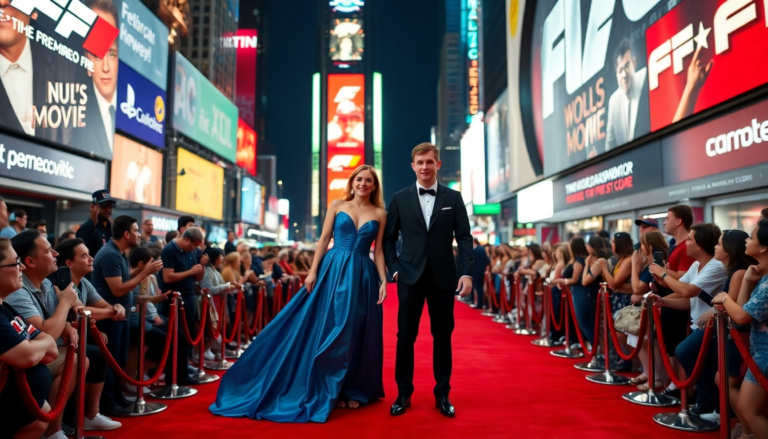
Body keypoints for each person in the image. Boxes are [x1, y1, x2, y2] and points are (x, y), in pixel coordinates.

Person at [211, 164, 387, 422]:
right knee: (331, 328)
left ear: (374, 186)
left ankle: (352, 388)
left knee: (355, 330)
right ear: (352, 181)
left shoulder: (380, 213)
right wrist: (313, 271)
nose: (363, 184)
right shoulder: (337, 205)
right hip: (333, 269)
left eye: (368, 180)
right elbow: (324, 239)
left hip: (362, 275)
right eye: (359, 179)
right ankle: (330, 388)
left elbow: (378, 251)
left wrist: (383, 280)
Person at [383, 143, 473, 418]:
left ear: (438, 164)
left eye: (429, 162)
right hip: (409, 277)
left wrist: (467, 272)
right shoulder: (399, 198)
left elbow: (465, 238)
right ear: (413, 166)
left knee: (442, 336)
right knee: (405, 337)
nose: (425, 167)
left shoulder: (454, 198)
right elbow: (388, 238)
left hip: (444, 277)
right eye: (420, 162)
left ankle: (442, 394)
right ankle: (403, 394)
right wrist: (394, 269)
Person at [5, 231, 81, 438]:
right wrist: (65, 303)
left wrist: (65, 322)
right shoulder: (16, 292)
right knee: (75, 360)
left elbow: (50, 333)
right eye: (49, 250)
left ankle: (62, 426)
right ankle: (54, 431)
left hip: (41, 356)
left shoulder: (46, 283)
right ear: (30, 261)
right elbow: (46, 335)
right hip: (24, 370)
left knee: (82, 357)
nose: (56, 253)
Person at [649, 223, 727, 417]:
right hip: (698, 325)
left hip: (714, 326)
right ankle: (705, 404)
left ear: (700, 245)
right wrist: (664, 300)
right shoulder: (696, 265)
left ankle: (717, 403)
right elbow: (681, 293)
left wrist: (663, 273)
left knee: (683, 352)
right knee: (703, 365)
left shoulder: (715, 266)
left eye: (690, 239)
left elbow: (686, 291)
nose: (685, 243)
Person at [91, 215, 162, 415]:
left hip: (120, 316)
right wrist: (144, 272)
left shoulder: (119, 253)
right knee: (111, 361)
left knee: (120, 360)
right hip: (110, 317)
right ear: (126, 234)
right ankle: (108, 404)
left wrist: (138, 271)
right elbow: (118, 289)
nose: (139, 234)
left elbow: (122, 280)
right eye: (136, 230)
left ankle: (117, 396)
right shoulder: (110, 254)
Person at [54, 238, 123, 429]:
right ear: (69, 263)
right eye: (84, 256)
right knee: (91, 356)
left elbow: (103, 306)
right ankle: (60, 424)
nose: (91, 259)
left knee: (99, 355)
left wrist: (114, 308)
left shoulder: (84, 282)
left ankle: (91, 415)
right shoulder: (59, 282)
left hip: (73, 341)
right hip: (57, 344)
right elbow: (80, 311)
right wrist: (112, 312)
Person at [713, 219, 768, 439]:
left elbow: (741, 317)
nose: (747, 240)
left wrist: (725, 298)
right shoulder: (762, 276)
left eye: (751, 237)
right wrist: (747, 280)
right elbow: (743, 311)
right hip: (758, 352)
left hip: (765, 354)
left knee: (748, 410)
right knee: (748, 409)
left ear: (763, 247)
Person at [0, 237, 59, 439]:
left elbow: (51, 350)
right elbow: (27, 356)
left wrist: (37, 344)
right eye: (16, 263)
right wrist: (38, 344)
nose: (22, 268)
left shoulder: (6, 308)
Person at [158, 227, 205, 385]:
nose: (195, 248)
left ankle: (183, 373)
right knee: (176, 339)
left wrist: (201, 266)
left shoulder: (191, 252)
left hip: (189, 298)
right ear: (186, 239)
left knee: (186, 338)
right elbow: (168, 277)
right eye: (194, 245)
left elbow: (197, 277)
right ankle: (173, 376)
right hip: (174, 300)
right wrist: (190, 271)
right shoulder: (169, 250)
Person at [72, 0, 119, 159]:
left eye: (111, 53)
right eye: (98, 54)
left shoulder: (130, 111)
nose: (106, 67)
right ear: (87, 59)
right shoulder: (74, 120)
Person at [604, 39, 650, 152]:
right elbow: (609, 146)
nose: (624, 75)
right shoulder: (613, 102)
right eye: (620, 70)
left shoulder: (646, 78)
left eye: (627, 66)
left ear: (634, 63)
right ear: (616, 74)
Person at [76, 190, 115, 260]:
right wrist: (93, 220)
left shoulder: (111, 228)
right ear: (93, 207)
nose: (107, 210)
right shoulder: (87, 228)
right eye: (103, 206)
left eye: (110, 206)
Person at [471, 238, 490, 309]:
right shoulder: (482, 249)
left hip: (476, 271)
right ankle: (481, 303)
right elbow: (487, 261)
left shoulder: (475, 250)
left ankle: (480, 303)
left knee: (478, 288)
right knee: (481, 288)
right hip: (482, 271)